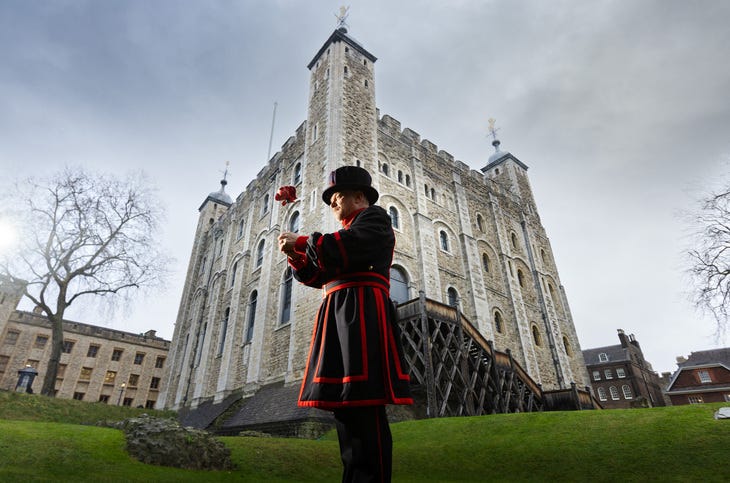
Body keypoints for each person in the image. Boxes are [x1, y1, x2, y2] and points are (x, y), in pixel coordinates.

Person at [278, 165, 413, 483]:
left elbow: (349, 245)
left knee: (363, 407)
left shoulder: (375, 219)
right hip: (338, 318)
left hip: (361, 316)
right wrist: (296, 255)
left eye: (337, 195)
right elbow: (316, 275)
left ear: (359, 196)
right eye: (331, 197)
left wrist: (301, 242)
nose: (333, 202)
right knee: (346, 408)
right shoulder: (339, 238)